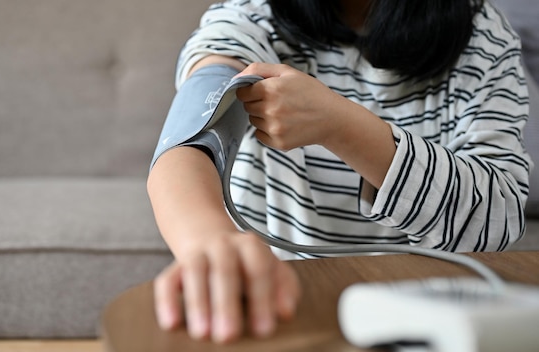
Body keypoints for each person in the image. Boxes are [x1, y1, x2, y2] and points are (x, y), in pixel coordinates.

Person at [147, 0, 532, 344]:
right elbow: (186, 145)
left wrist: (343, 126)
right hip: (285, 305)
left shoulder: (483, 36)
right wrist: (208, 239)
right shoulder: (250, 17)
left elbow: (495, 220)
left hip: (433, 315)